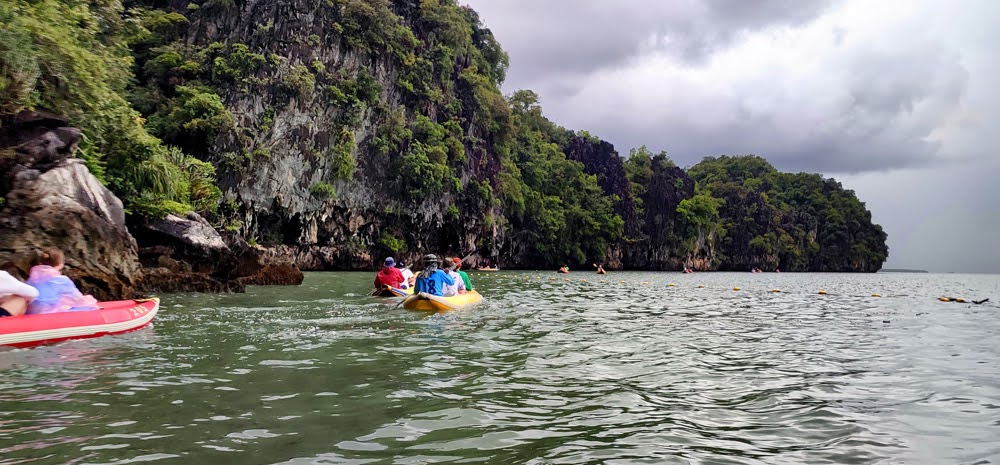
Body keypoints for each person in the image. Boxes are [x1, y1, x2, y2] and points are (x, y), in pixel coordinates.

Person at [26, 247, 98, 315]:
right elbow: (77, 299)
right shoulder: (61, 280)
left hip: (32, 313)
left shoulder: (32, 278)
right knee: (90, 306)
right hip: (49, 314)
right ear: (61, 264)